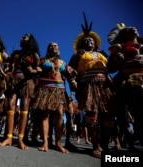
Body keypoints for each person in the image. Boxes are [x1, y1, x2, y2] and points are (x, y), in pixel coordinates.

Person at [67, 13, 118, 158]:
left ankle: (104, 145)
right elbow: (70, 70)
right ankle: (96, 145)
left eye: (91, 40)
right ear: (82, 44)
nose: (89, 41)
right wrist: (73, 80)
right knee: (92, 115)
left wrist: (117, 58)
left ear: (95, 43)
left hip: (105, 87)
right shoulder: (78, 55)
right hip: (88, 87)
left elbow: (112, 68)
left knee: (108, 115)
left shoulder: (102, 54)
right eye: (86, 40)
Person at [0, 33, 41, 150]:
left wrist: (32, 70)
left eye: (25, 37)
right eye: (21, 37)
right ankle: (9, 137)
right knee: (11, 105)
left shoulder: (34, 55)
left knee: (24, 107)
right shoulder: (16, 53)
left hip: (28, 81)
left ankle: (20, 139)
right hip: (15, 80)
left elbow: (39, 69)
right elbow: (9, 63)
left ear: (30, 40)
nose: (22, 38)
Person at [107, 23, 143, 148]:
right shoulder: (120, 48)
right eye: (129, 29)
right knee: (122, 111)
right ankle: (129, 138)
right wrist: (117, 58)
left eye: (134, 28)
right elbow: (110, 68)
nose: (133, 28)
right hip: (126, 82)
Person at [32, 42, 71, 153]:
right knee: (45, 115)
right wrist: (37, 71)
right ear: (48, 49)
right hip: (45, 89)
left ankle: (58, 143)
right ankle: (45, 142)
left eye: (55, 45)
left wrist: (72, 76)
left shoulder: (63, 62)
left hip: (59, 89)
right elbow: (35, 71)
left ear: (58, 49)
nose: (53, 47)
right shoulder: (42, 60)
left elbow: (68, 75)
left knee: (59, 113)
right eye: (50, 46)